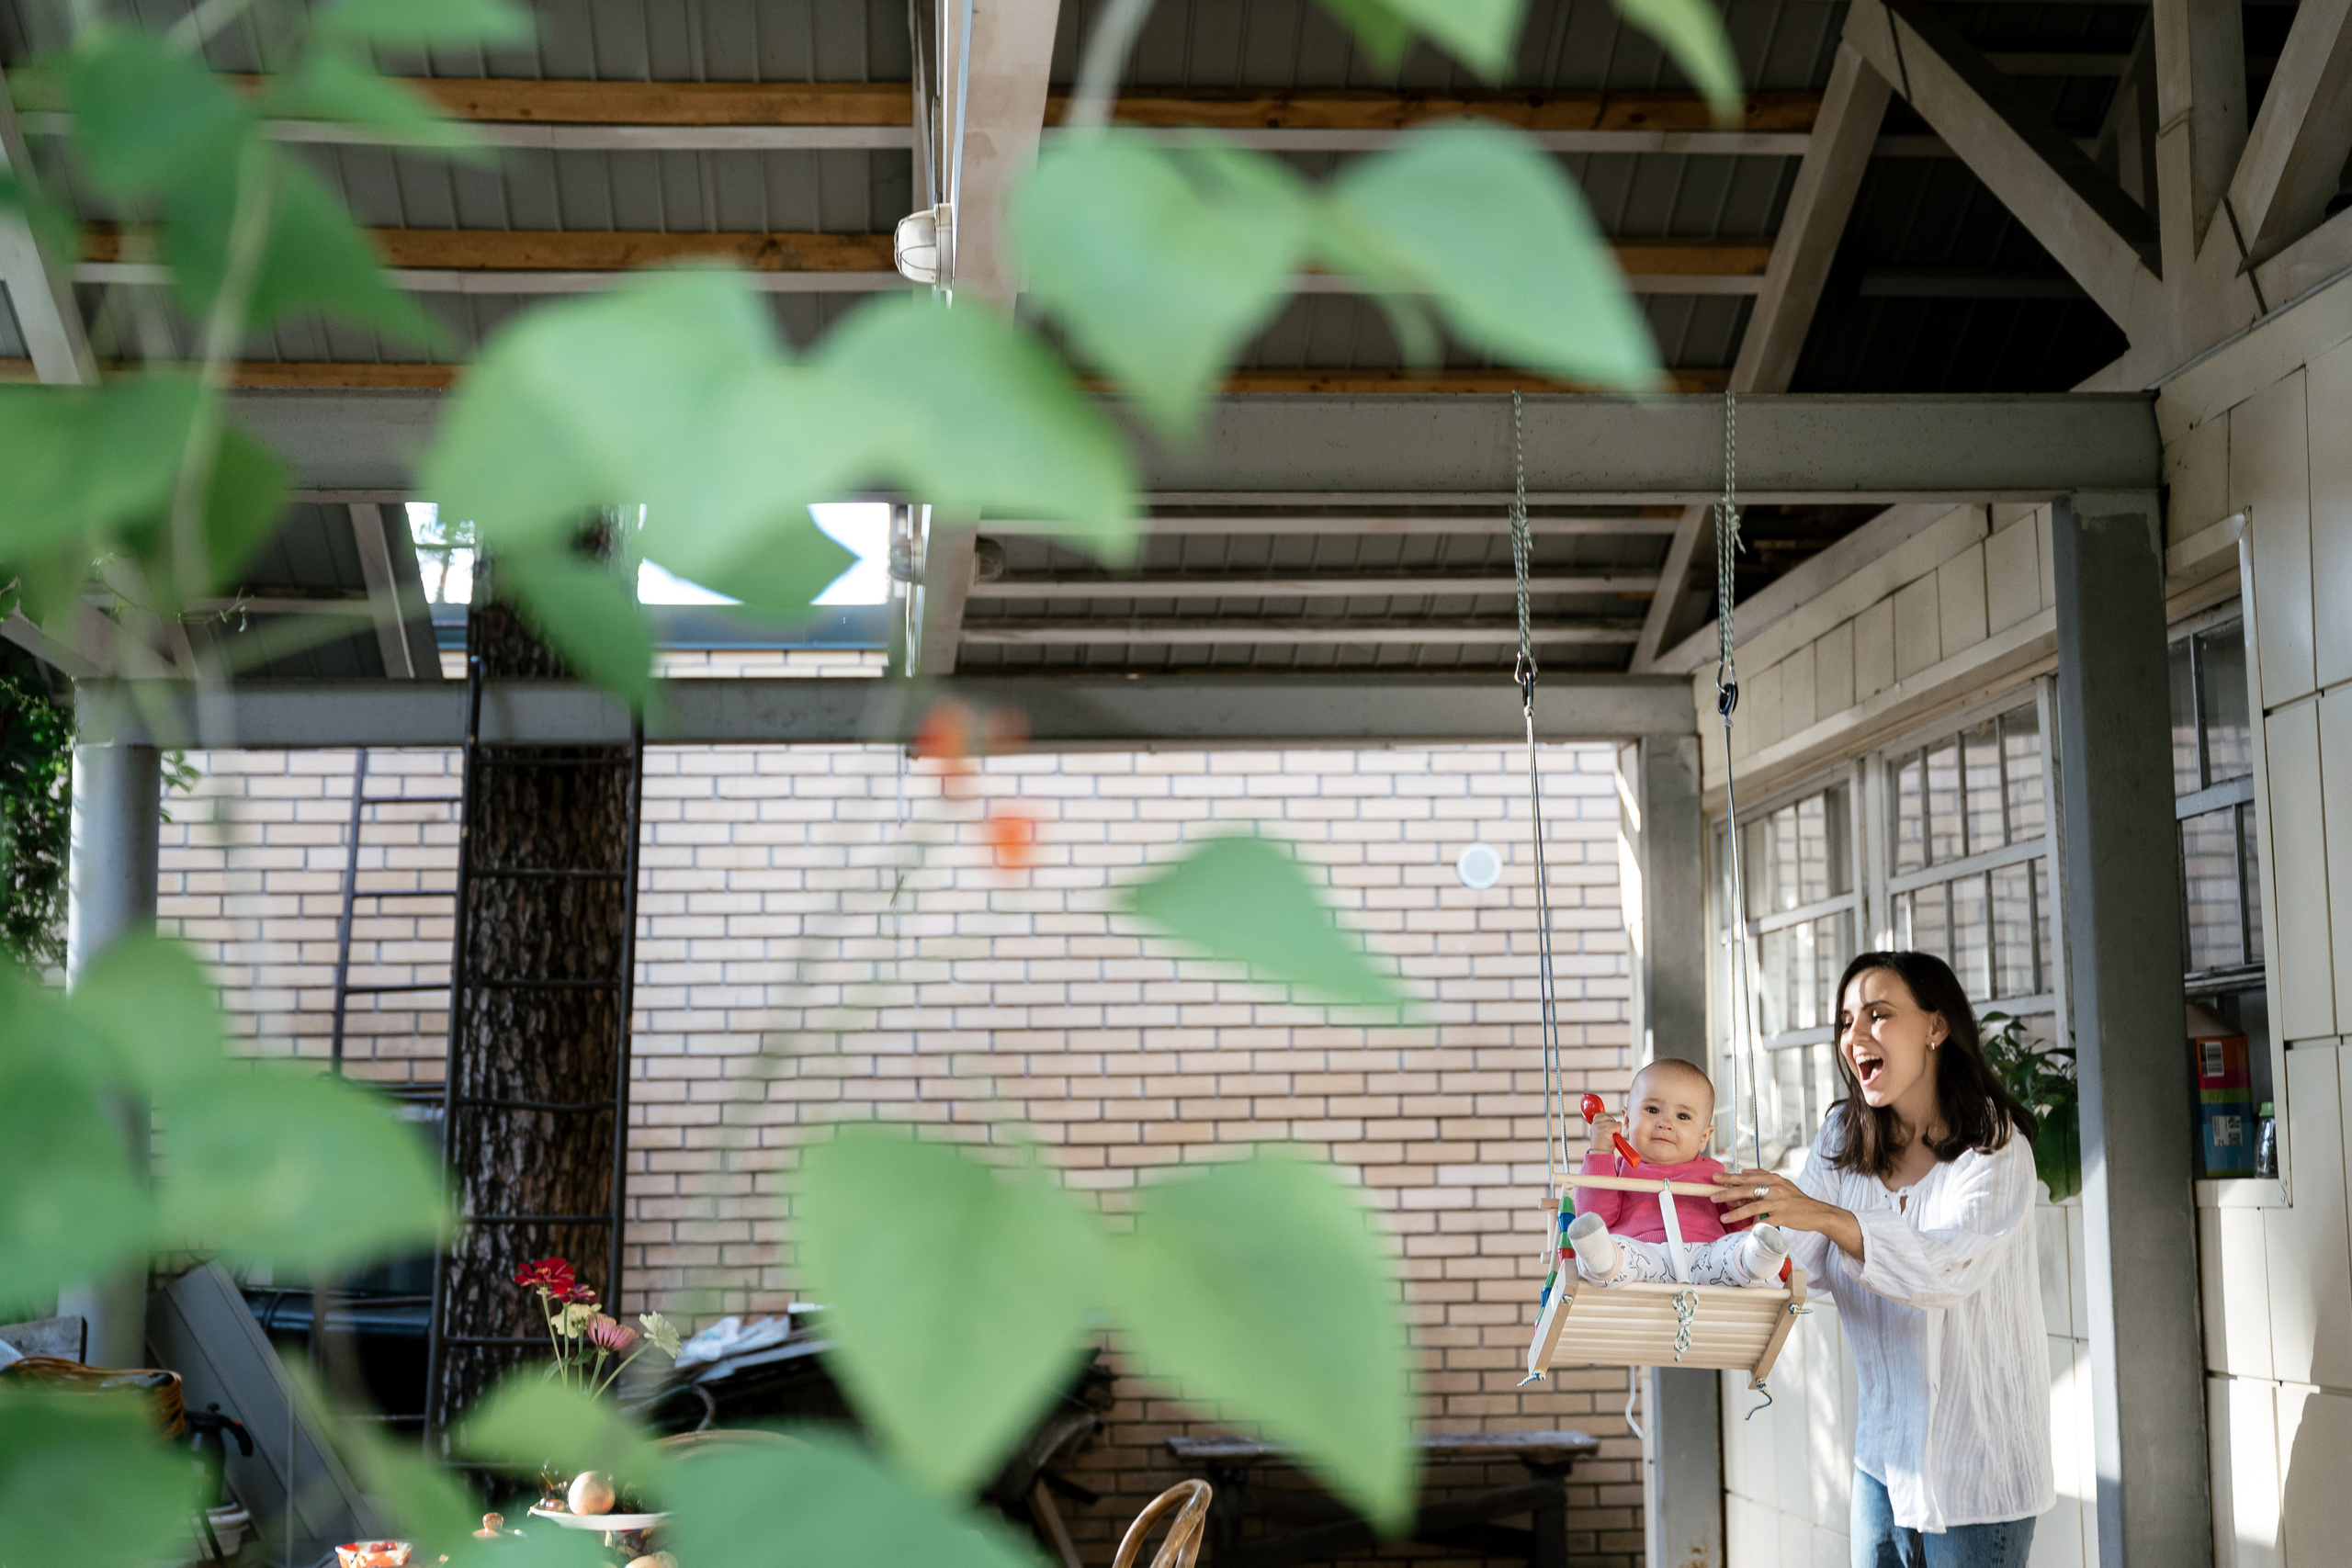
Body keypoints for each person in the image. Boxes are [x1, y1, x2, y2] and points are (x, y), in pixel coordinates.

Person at [1713, 950, 2052, 1568]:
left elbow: (1944, 1269)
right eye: (1846, 1021)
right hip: (1884, 1459)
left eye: (1878, 1014)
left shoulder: (1995, 1148)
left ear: (1936, 1026)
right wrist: (1690, 1232)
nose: (1855, 1036)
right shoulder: (1845, 1136)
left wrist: (1820, 1212)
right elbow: (1800, 1260)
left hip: (1980, 1470)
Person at [1566, 1057, 1790, 1288]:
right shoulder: (1617, 1172)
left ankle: (1757, 1257)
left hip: (1706, 1259)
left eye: (1683, 1116)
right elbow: (1594, 1216)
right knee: (1616, 1251)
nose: (1665, 1123)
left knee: (1734, 1248)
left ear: (1703, 1137)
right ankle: (1601, 1258)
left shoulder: (1714, 1174)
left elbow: (1732, 1224)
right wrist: (1600, 1153)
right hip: (1641, 1258)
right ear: (1626, 1121)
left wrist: (1741, 1205)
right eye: (1652, 1110)